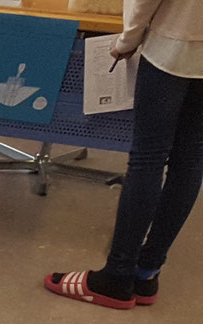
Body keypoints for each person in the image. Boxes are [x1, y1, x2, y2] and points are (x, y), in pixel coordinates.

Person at [44, 0, 203, 308]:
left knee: (148, 158)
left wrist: (127, 39)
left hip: (173, 43)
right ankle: (147, 272)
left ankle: (117, 275)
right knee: (190, 160)